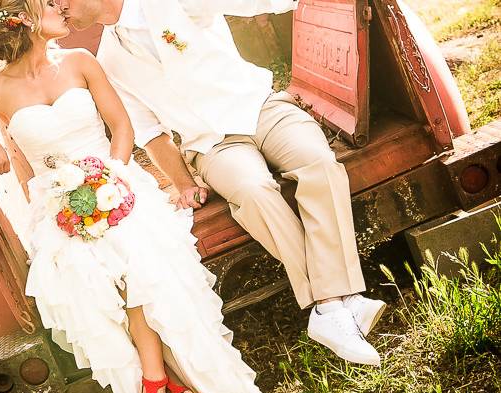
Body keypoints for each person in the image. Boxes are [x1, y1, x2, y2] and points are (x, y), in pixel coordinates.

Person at [0, 1, 296, 393]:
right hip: (56, 205)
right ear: (25, 19)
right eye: (48, 4)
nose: (61, 7)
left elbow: (121, 126)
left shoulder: (80, 62)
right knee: (89, 277)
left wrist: (114, 176)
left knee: (132, 257)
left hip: (118, 183)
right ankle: (169, 384)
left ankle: (156, 388)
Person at [59, 0, 387, 366]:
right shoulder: (108, 61)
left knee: (319, 162)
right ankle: (340, 302)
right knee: (253, 191)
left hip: (261, 108)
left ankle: (328, 307)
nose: (58, 8)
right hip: (212, 145)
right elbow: (150, 133)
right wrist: (184, 183)